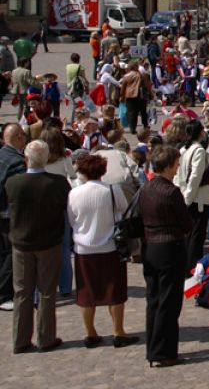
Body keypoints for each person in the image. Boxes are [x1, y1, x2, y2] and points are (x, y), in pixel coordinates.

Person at [67, 154, 138, 349]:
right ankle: (118, 331)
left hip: (84, 248)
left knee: (86, 293)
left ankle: (90, 332)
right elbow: (125, 213)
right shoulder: (113, 190)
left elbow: (73, 220)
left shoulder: (74, 193)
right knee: (114, 291)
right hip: (110, 246)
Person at [7, 139, 70, 353]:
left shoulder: (13, 183)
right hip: (48, 242)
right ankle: (45, 337)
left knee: (22, 292)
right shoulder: (58, 183)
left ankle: (20, 339)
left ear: (26, 159)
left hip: (22, 243)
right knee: (46, 291)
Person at [140, 145, 192, 367]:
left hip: (150, 246)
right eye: (176, 164)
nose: (178, 167)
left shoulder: (146, 188)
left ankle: (153, 347)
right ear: (169, 166)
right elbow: (186, 223)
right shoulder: (171, 192)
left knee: (153, 300)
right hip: (169, 247)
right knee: (169, 302)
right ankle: (164, 351)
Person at [175, 120, 209, 266]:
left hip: (188, 195)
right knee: (195, 237)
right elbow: (195, 177)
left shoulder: (184, 149)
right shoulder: (198, 150)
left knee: (189, 235)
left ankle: (186, 265)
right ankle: (191, 267)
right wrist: (188, 199)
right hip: (197, 199)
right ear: (200, 133)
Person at [0, 123, 29, 309]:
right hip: (8, 214)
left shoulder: (3, 154)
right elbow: (20, 191)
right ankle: (4, 295)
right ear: (18, 137)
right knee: (9, 254)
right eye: (23, 135)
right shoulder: (17, 161)